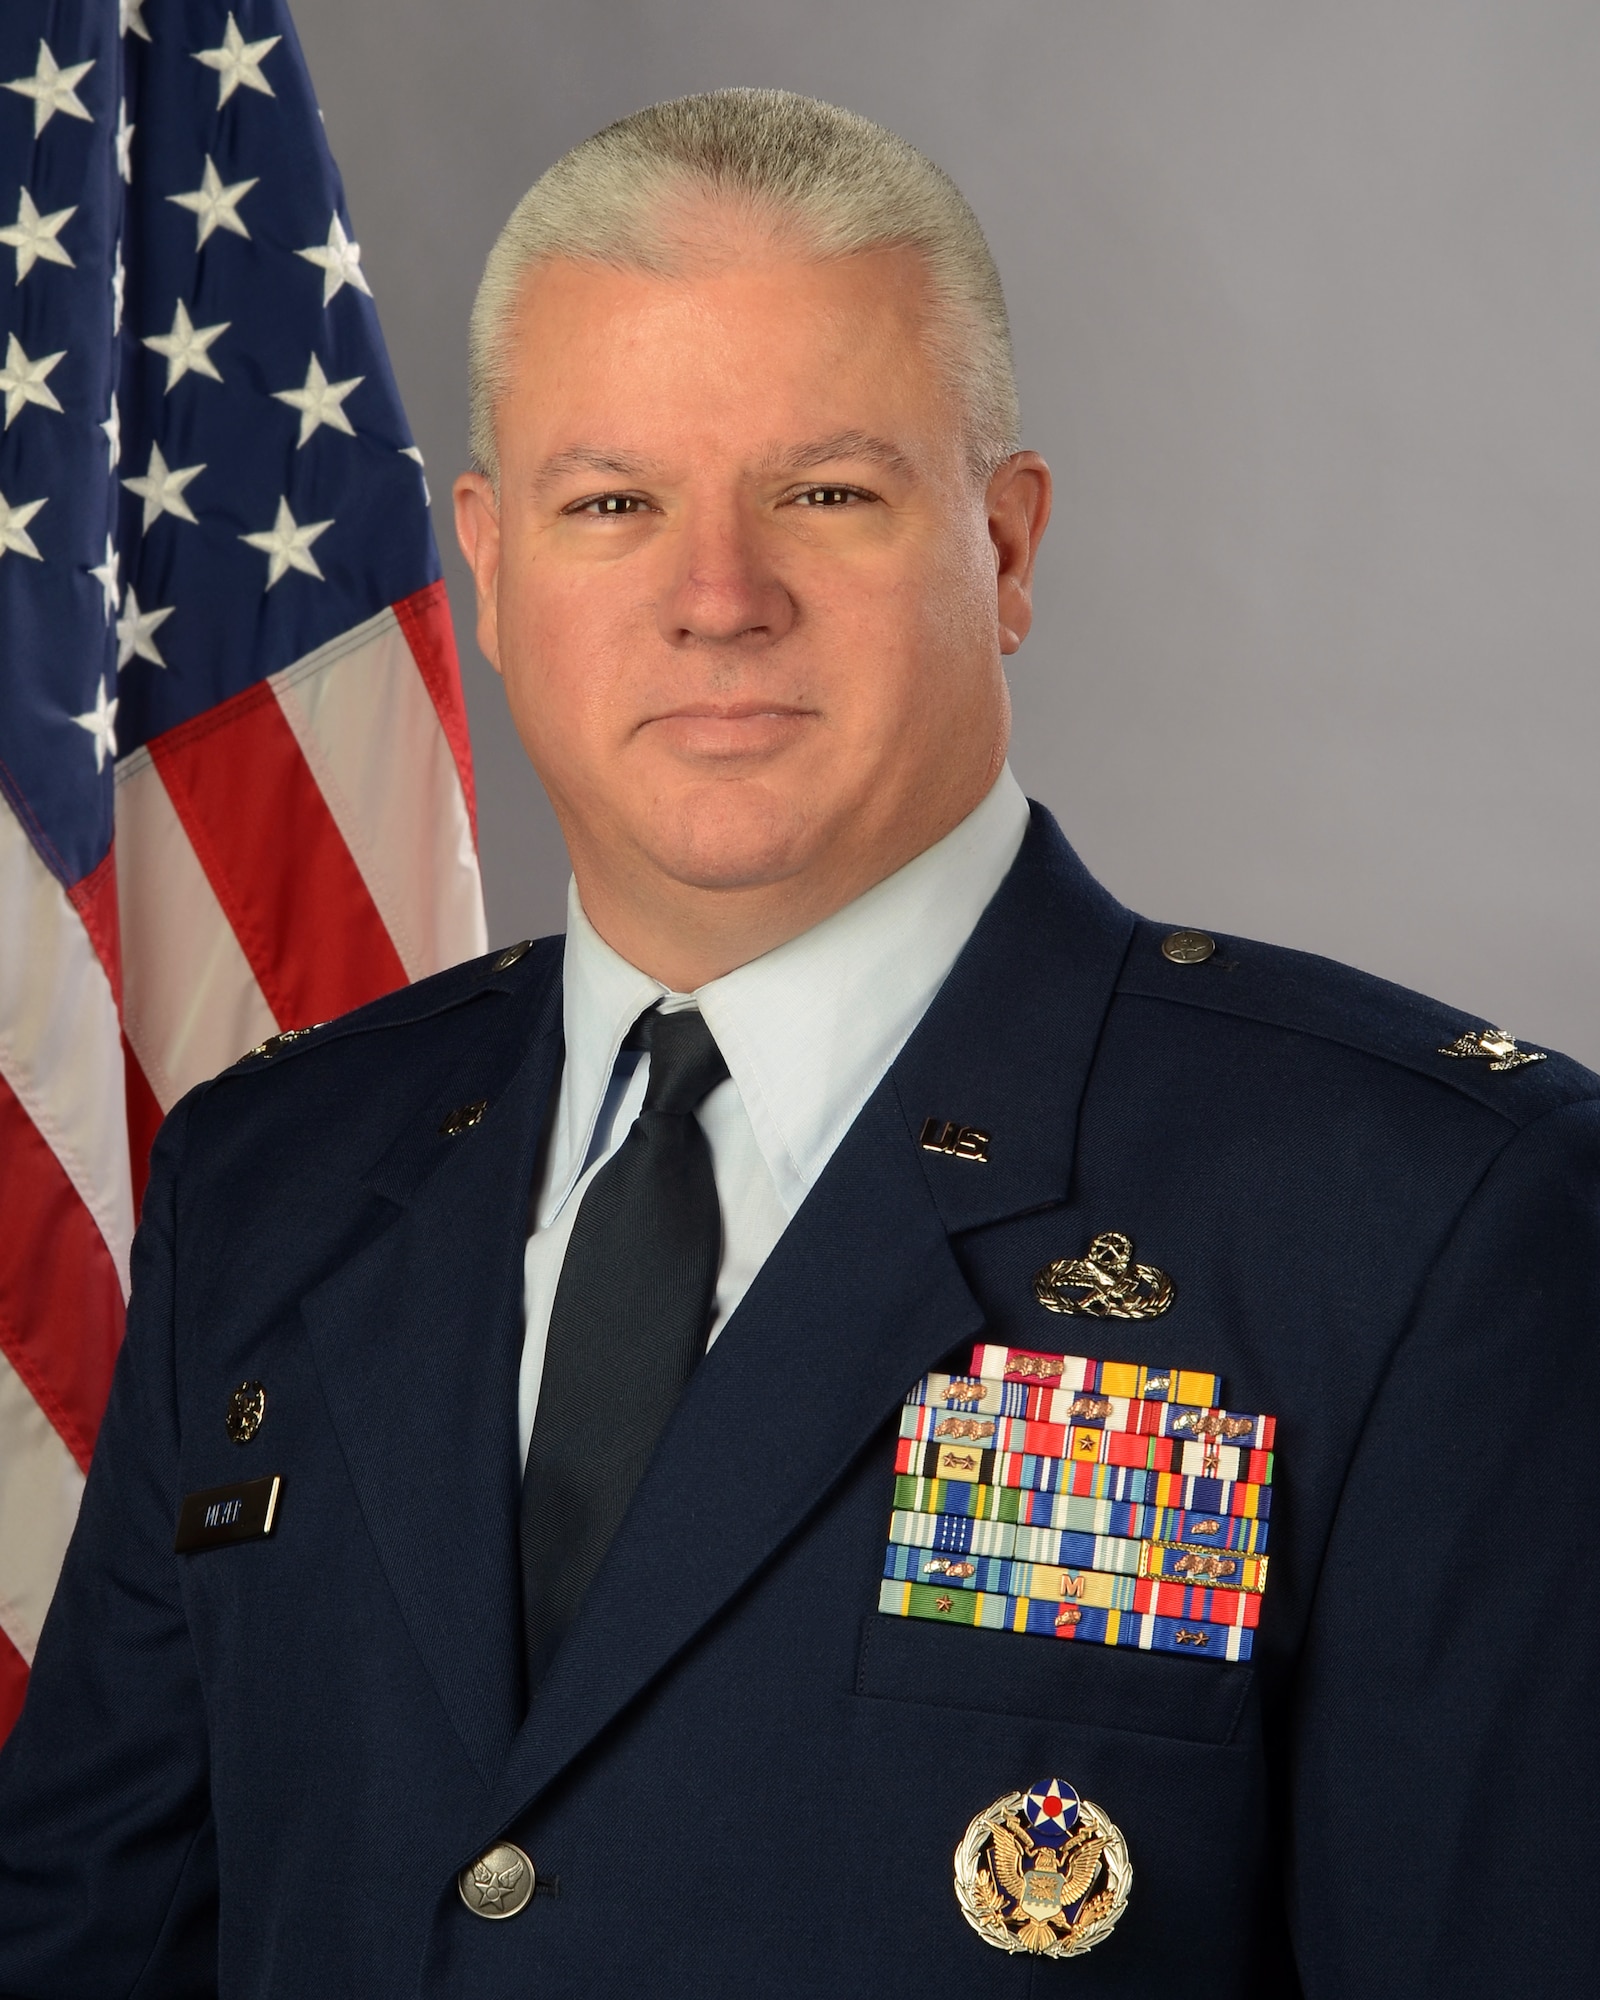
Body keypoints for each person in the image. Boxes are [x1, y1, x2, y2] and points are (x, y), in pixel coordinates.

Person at [0, 87, 1595, 2000]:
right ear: (492, 575)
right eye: (616, 505)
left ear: (1004, 551)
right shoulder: (271, 1177)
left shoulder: (1426, 1217)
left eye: (826, 493)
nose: (716, 600)